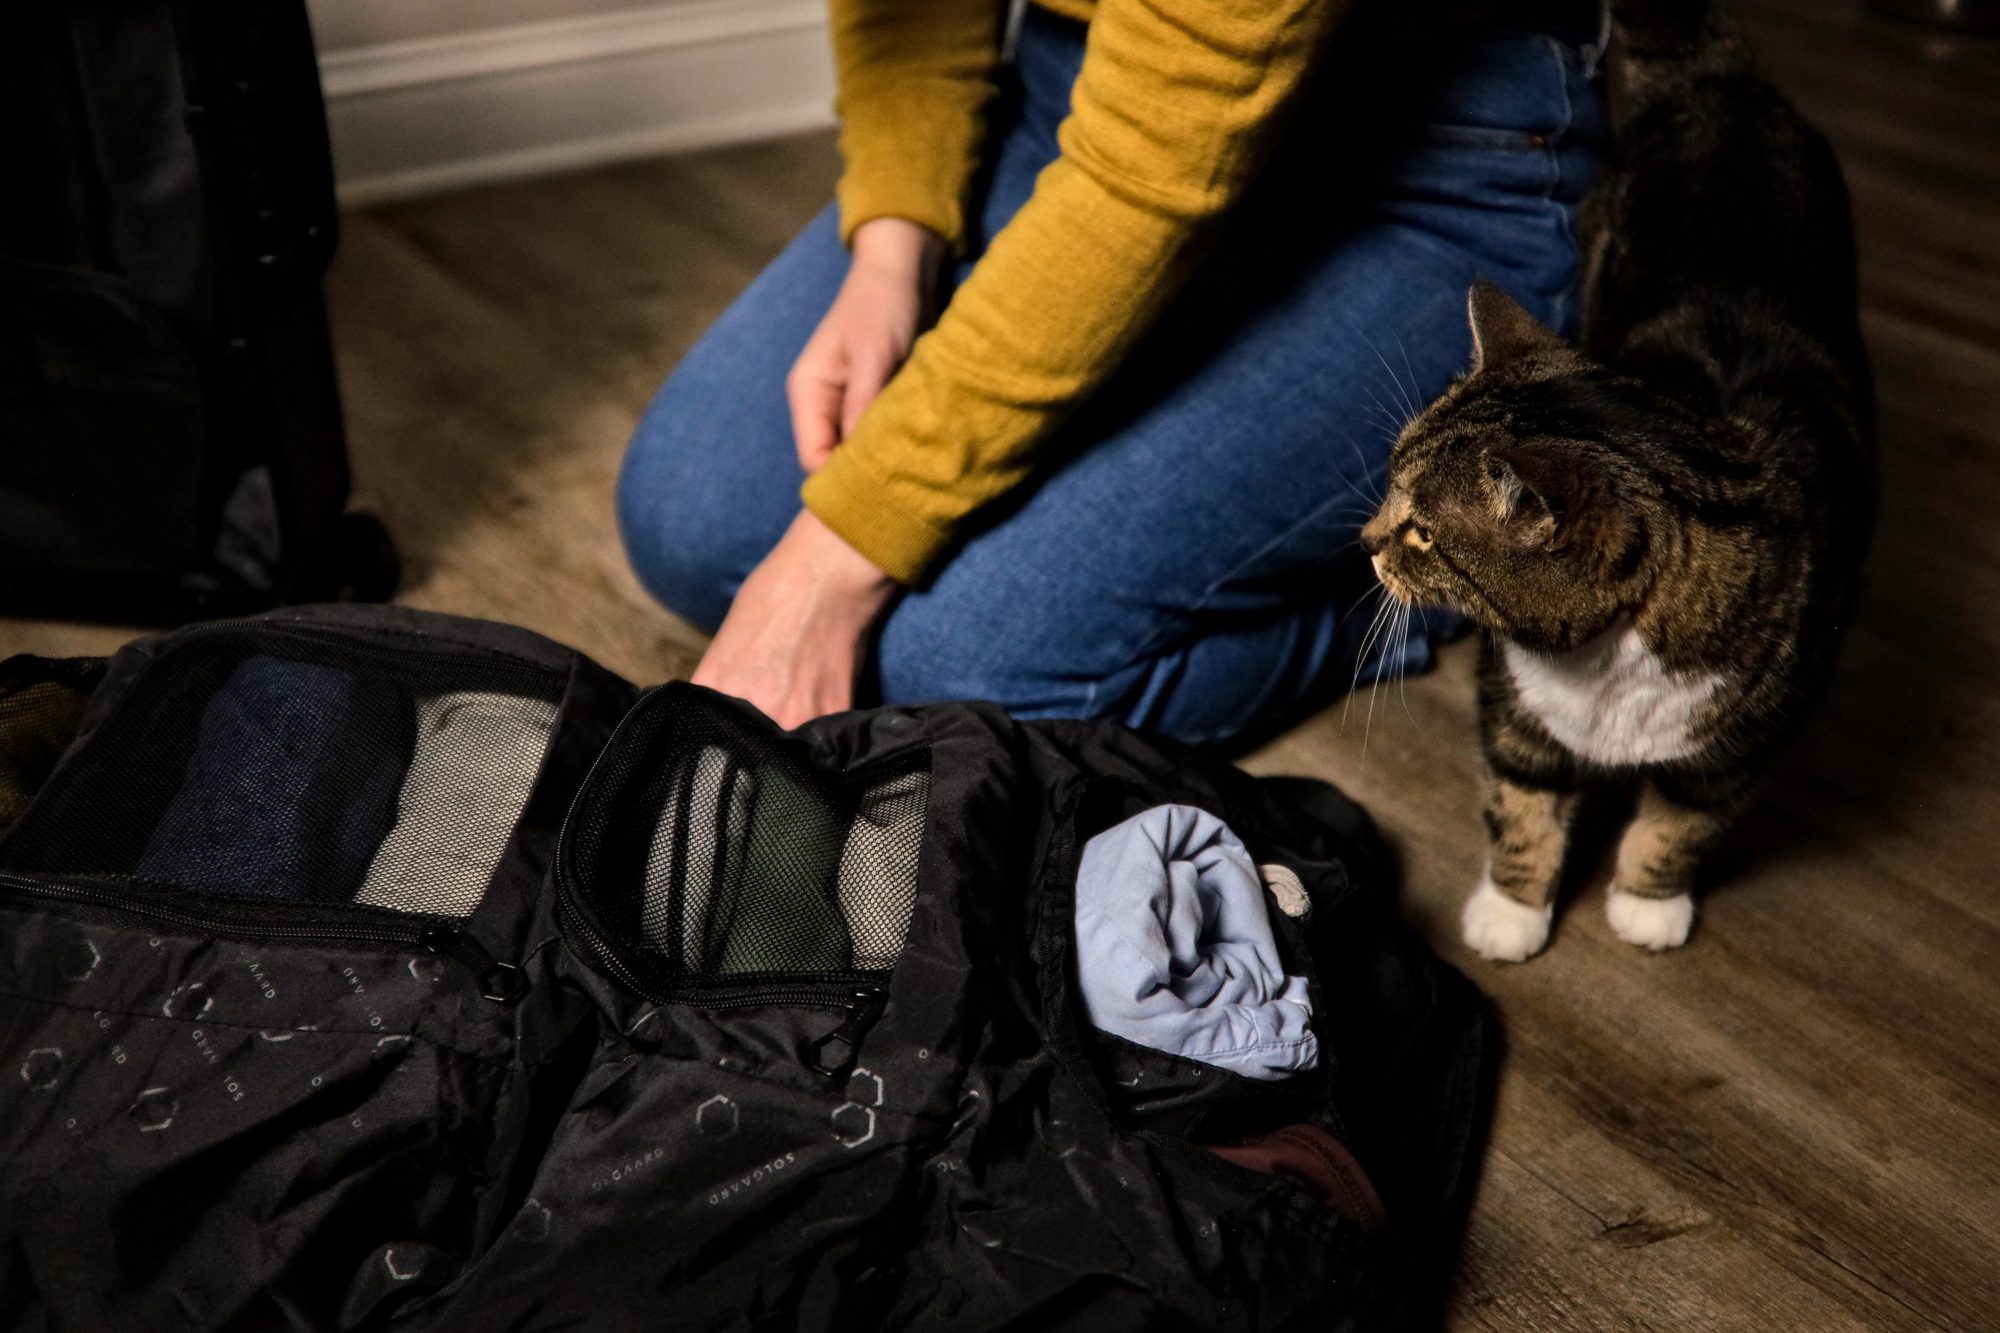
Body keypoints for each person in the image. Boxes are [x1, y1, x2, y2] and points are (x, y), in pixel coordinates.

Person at [617, 0, 1607, 744]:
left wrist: (823, 572)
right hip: (1076, 96)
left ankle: (1392, 616)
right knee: (689, 520)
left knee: (963, 667)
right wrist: (894, 241)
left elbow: (1147, 175)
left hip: (1417, 170)